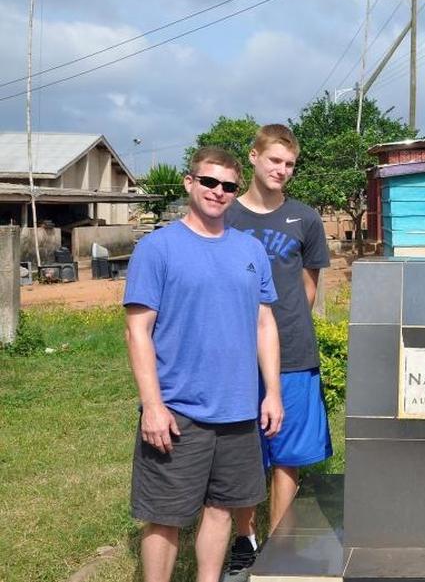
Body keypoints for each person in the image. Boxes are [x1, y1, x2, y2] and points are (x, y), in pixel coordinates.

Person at [124, 147, 283, 582]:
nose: (218, 192)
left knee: (221, 509)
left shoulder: (251, 250)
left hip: (238, 410)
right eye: (209, 182)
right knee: (165, 516)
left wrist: (272, 393)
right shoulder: (157, 249)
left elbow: (264, 324)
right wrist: (152, 405)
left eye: (229, 186)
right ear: (189, 182)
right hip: (178, 411)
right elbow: (137, 331)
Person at [224, 124, 332, 579]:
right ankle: (245, 537)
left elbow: (308, 283)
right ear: (253, 157)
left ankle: (280, 543)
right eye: (274, 161)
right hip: (232, 353)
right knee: (244, 450)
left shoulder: (305, 219)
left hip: (293, 352)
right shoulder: (225, 215)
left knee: (286, 452)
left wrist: (282, 325)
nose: (281, 171)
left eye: (289, 164)